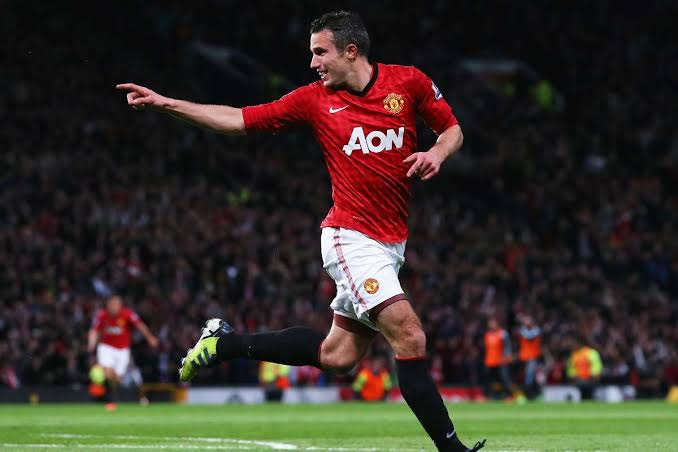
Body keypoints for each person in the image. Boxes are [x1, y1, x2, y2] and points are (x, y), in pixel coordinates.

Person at [117, 10, 484, 451]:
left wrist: (437, 154)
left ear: (351, 51)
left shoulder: (408, 82)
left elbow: (452, 129)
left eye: (320, 52)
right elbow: (239, 118)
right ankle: (453, 449)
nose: (313, 63)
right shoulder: (314, 100)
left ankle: (224, 344)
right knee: (409, 334)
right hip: (350, 237)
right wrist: (166, 104)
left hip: (391, 243)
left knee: (338, 356)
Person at [87, 294, 158, 410]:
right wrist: (91, 346)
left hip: (122, 350)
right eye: (112, 304)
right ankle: (109, 399)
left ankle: (109, 394)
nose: (114, 307)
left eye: (117, 304)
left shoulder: (127, 314)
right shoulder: (101, 315)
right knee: (107, 371)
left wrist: (150, 337)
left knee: (118, 378)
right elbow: (94, 330)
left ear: (120, 306)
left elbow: (140, 325)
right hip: (106, 348)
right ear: (107, 305)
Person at [483, 317, 512, 399]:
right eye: (490, 323)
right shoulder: (487, 334)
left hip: (501, 360)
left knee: (504, 378)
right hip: (489, 360)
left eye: (493, 323)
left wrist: (507, 357)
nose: (492, 325)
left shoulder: (503, 333)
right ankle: (487, 396)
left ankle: (508, 396)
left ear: (497, 323)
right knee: (488, 380)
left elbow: (507, 346)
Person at [517, 315, 541, 398]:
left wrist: (522, 329)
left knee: (530, 375)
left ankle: (528, 394)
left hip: (532, 356)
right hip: (524, 357)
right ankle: (532, 393)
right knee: (527, 375)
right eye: (525, 321)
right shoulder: (523, 330)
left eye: (528, 321)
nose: (526, 322)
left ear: (532, 322)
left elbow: (529, 337)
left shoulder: (536, 330)